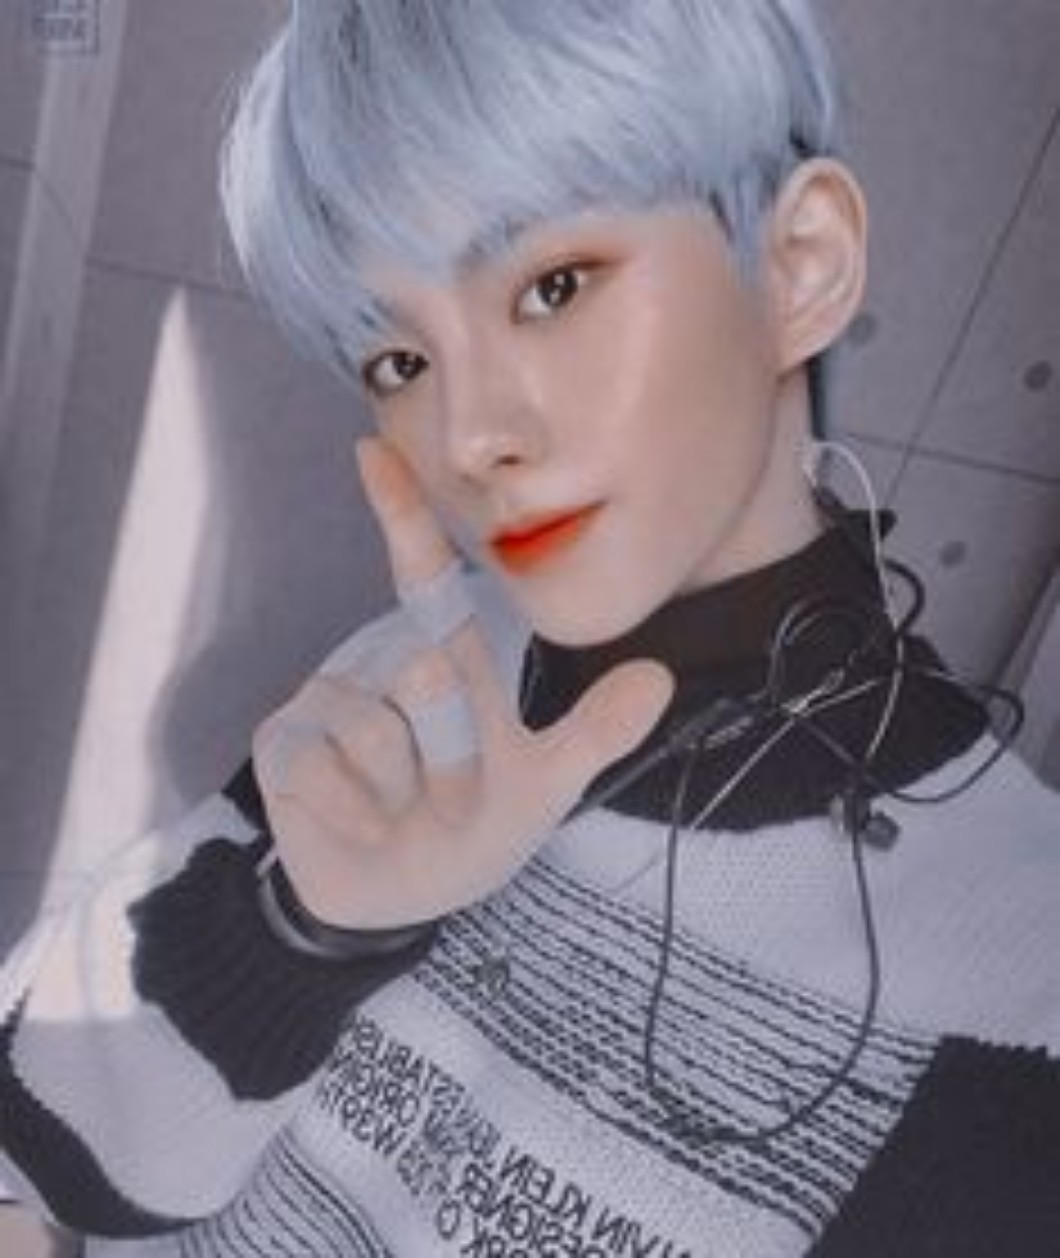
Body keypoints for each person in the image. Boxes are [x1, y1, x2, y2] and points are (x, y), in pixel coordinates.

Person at [2, 1, 1058, 1254]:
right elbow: (42, 1152)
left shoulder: (1021, 971)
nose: (466, 436)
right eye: (397, 359)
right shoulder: (424, 668)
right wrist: (304, 933)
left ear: (799, 265)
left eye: (552, 287)